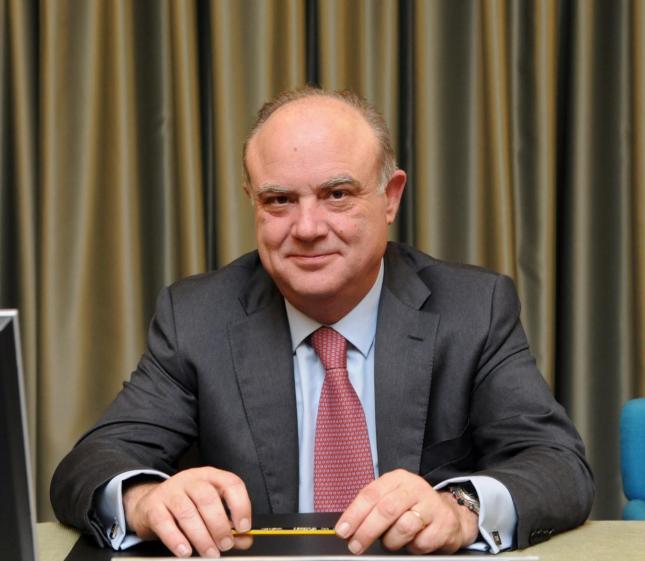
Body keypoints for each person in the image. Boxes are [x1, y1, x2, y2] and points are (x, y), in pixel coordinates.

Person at [51, 87, 594, 558]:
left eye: (337, 195)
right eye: (279, 200)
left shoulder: (472, 309)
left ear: (390, 197)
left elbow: (557, 464)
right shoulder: (198, 318)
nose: (307, 227)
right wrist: (145, 499)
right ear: (253, 203)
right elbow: (91, 463)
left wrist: (461, 509)